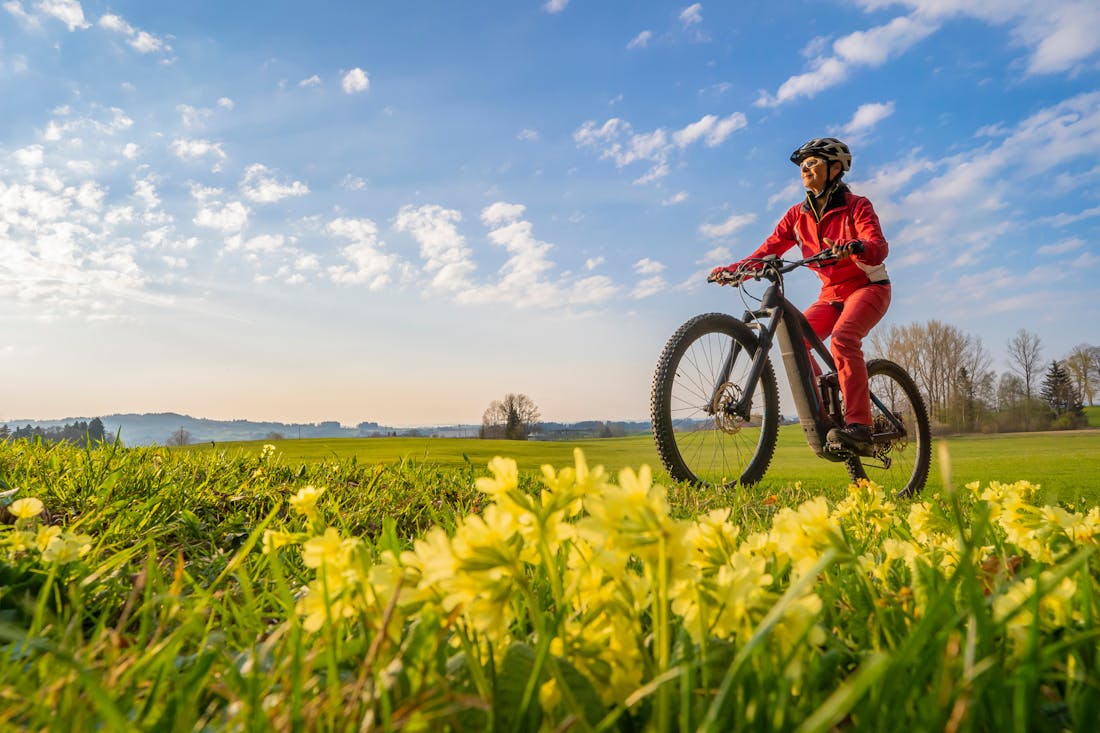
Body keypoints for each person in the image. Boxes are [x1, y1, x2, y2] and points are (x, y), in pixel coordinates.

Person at [709, 137, 891, 451]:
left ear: (835, 169)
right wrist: (736, 269)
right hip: (831, 296)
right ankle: (825, 406)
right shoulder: (797, 216)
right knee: (797, 339)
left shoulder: (857, 206)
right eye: (802, 165)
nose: (805, 169)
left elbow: (878, 245)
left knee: (844, 338)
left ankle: (860, 425)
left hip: (868, 287)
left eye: (813, 162)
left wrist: (857, 246)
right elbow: (767, 250)